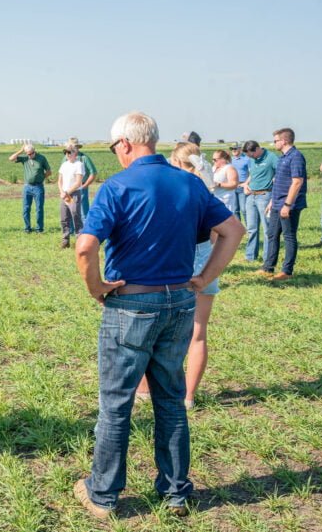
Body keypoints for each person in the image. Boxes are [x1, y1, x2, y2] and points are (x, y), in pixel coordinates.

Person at [73, 113, 243, 520]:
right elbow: (234, 230)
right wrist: (203, 279)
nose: (115, 155)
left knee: (116, 403)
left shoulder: (117, 186)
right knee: (170, 399)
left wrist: (96, 288)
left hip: (131, 306)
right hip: (180, 303)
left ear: (126, 144)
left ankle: (103, 494)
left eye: (114, 148)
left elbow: (84, 248)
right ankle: (175, 492)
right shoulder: (189, 183)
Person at [135, 143, 224, 410]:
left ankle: (144, 389)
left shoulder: (174, 190)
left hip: (174, 260)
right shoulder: (207, 192)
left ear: (175, 162)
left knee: (151, 329)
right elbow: (222, 233)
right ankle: (188, 396)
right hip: (205, 258)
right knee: (198, 333)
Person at [261, 128, 307, 281]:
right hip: (277, 202)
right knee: (272, 234)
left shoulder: (296, 157)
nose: (274, 143)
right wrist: (273, 201)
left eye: (275, 141)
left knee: (288, 236)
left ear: (284, 140)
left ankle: (287, 271)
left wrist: (287, 205)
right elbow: (280, 181)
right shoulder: (282, 158)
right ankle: (268, 267)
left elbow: (297, 182)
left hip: (289, 204)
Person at [242, 140, 279, 263]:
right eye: (248, 156)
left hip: (265, 195)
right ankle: (250, 256)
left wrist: (274, 198)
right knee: (252, 228)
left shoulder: (271, 157)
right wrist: (246, 184)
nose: (251, 157)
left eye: (251, 155)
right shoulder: (252, 159)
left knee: (267, 229)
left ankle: (267, 257)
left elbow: (280, 176)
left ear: (257, 149)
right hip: (251, 196)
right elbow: (252, 174)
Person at [9, 143, 52, 233]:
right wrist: (21, 150)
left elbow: (49, 171)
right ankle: (27, 228)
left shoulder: (41, 158)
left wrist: (42, 177)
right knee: (26, 209)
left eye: (31, 153)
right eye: (27, 154)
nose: (29, 155)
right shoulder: (25, 158)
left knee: (39, 208)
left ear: (34, 151)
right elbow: (11, 159)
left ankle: (39, 229)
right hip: (27, 187)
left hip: (38, 187)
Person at [57, 143, 86, 248]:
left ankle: (80, 240)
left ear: (75, 153)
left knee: (76, 216)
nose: (67, 154)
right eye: (65, 152)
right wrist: (61, 192)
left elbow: (78, 182)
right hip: (64, 194)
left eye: (69, 152)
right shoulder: (64, 164)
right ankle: (65, 241)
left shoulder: (79, 164)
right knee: (64, 218)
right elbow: (59, 181)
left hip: (73, 194)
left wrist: (67, 193)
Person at [67, 137, 99, 219]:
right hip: (69, 188)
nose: (73, 149)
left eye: (74, 147)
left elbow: (93, 172)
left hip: (81, 186)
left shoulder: (84, 158)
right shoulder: (66, 158)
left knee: (83, 211)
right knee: (70, 209)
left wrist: (86, 185)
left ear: (77, 148)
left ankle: (85, 230)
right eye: (71, 147)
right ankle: (71, 230)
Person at [211, 150, 240, 214]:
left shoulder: (229, 168)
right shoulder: (213, 168)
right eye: (212, 159)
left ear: (223, 159)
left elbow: (234, 184)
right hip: (214, 199)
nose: (213, 161)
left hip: (226, 200)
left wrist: (218, 184)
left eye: (215, 159)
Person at [229, 142, 251, 222]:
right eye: (232, 149)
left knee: (244, 210)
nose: (233, 150)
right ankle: (239, 230)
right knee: (235, 210)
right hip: (232, 186)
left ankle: (249, 229)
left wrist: (246, 184)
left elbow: (252, 173)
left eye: (235, 148)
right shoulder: (230, 160)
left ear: (240, 149)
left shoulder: (247, 159)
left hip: (242, 186)